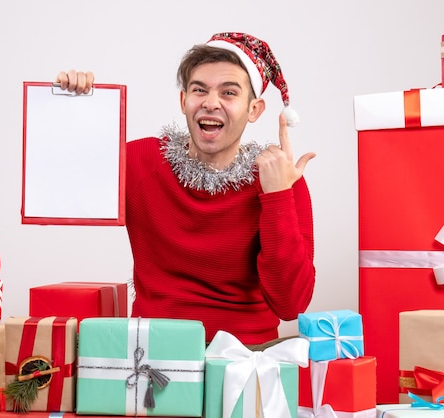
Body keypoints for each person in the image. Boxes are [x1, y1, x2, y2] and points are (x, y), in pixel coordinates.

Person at [55, 32, 316, 345]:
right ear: (183, 101)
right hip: (152, 354)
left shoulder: (281, 180)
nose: (210, 102)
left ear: (254, 110)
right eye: (199, 90)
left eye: (229, 92)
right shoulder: (140, 162)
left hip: (247, 356)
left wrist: (277, 197)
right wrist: (78, 108)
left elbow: (290, 304)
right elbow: (61, 190)